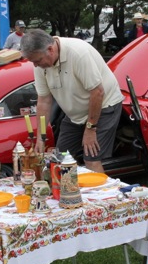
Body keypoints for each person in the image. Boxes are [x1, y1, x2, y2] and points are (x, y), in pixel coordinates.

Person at [20, 29, 124, 173]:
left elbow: (97, 92)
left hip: (104, 105)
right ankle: (68, 187)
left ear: (50, 49)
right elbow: (44, 101)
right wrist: (40, 138)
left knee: (91, 157)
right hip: (76, 114)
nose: (36, 65)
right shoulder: (40, 64)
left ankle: (100, 188)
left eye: (37, 61)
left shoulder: (78, 53)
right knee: (61, 158)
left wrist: (90, 129)